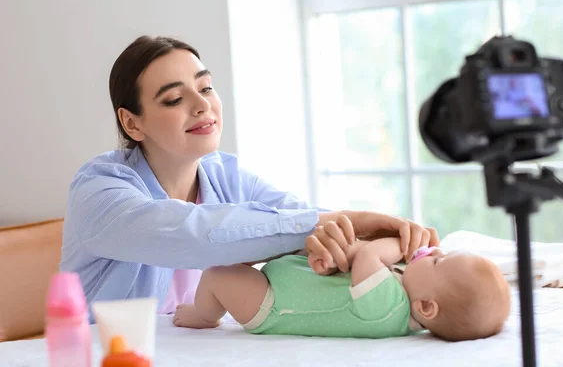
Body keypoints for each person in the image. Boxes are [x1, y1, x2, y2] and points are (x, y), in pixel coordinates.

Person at [59, 36, 440, 317]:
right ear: (132, 122)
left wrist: (352, 232)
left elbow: (295, 216)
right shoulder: (98, 190)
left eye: (206, 87)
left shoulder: (226, 174)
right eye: (175, 99)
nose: (202, 104)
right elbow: (192, 233)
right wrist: (337, 223)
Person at [173, 217, 511, 341]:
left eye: (438, 264)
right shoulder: (402, 287)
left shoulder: (389, 309)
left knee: (218, 273)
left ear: (427, 307)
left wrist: (401, 242)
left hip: (271, 306)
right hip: (284, 284)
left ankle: (204, 316)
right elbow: (356, 256)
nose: (433, 254)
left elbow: (367, 255)